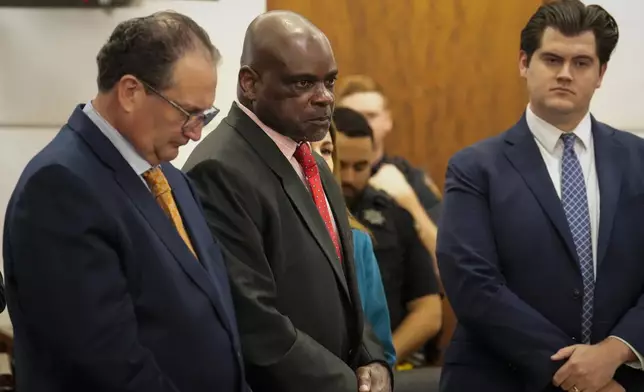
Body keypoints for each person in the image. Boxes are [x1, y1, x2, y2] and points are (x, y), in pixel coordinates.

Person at [2, 11, 247, 392]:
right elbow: (107, 363)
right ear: (131, 91)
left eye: (206, 116)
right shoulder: (60, 187)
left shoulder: (171, 178)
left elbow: (212, 310)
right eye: (188, 113)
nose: (196, 134)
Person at [437, 2, 644, 391]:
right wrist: (580, 374)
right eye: (552, 59)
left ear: (601, 74)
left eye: (582, 63)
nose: (565, 74)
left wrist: (614, 353)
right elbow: (472, 283)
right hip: (503, 379)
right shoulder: (474, 168)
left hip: (621, 379)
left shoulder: (639, 161)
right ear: (523, 63)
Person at [182, 10, 392, 392]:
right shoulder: (220, 169)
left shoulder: (312, 161)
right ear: (250, 83)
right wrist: (345, 384)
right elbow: (254, 322)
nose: (325, 98)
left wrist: (372, 358)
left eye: (329, 81)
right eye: (302, 84)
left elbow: (344, 288)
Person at [333, 107, 443, 365]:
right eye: (342, 166)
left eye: (360, 167)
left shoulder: (394, 215)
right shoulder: (300, 211)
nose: (349, 178)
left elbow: (429, 311)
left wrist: (381, 362)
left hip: (391, 363)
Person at [312, 125, 397, 367]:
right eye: (305, 149)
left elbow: (381, 349)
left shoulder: (357, 241)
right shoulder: (269, 231)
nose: (318, 161)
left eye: (327, 151)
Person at [336, 75, 443, 223]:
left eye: (371, 115)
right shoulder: (316, 177)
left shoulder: (409, 179)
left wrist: (410, 204)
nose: (362, 123)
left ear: (388, 121)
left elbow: (443, 244)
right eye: (353, 115)